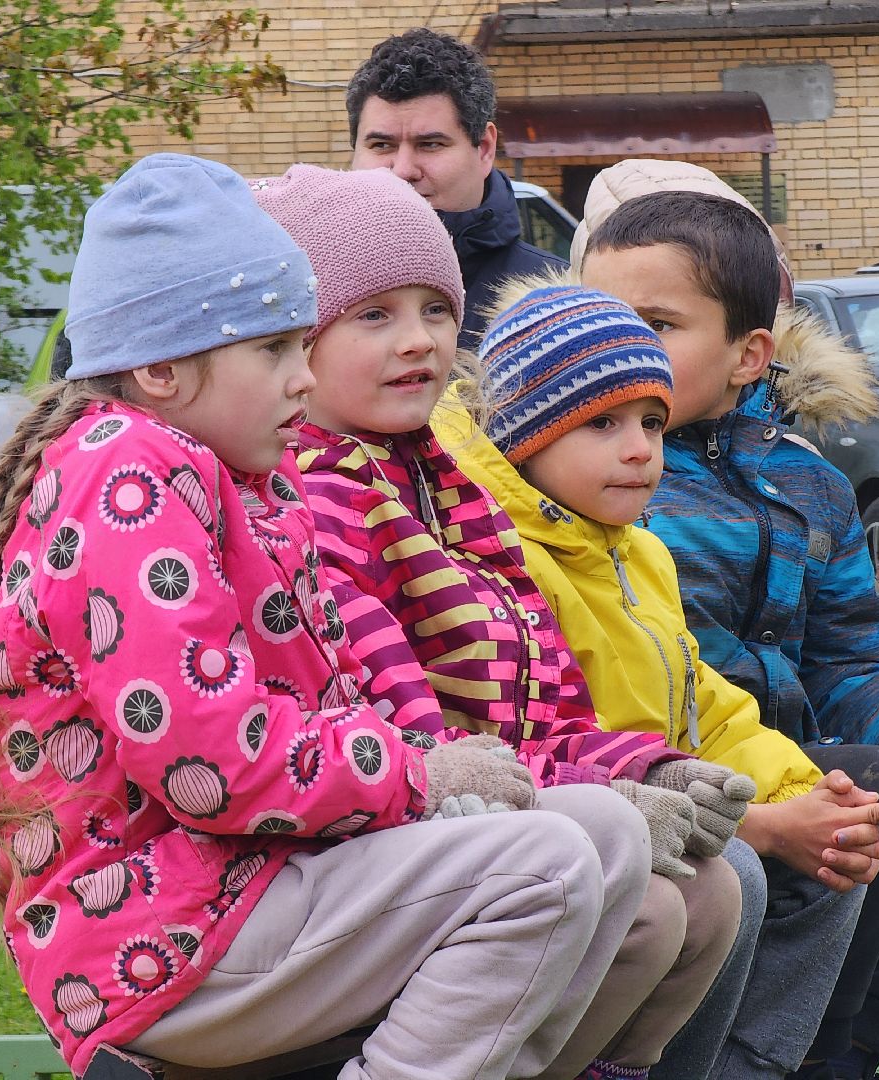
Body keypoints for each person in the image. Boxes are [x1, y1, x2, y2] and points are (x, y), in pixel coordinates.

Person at [0, 152, 656, 1079]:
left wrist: (428, 780)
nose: (305, 378)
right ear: (162, 369)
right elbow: (210, 764)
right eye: (273, 349)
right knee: (541, 867)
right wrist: (418, 776)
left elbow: (319, 710)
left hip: (247, 883)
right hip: (155, 934)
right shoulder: (123, 476)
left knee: (607, 835)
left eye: (303, 345)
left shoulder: (241, 481)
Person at [250, 162, 744, 1080]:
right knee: (649, 905)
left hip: (499, 798)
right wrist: (595, 797)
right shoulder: (311, 492)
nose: (418, 342)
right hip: (396, 816)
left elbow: (546, 699)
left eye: (437, 311)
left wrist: (645, 766)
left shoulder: (443, 485)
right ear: (294, 340)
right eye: (374, 315)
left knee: (708, 895)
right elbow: (402, 716)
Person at [575, 185, 879, 1080]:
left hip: (797, 762)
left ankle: (832, 1051)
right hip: (667, 773)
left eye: (655, 323)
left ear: (748, 355)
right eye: (597, 318)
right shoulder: (582, 468)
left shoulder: (808, 486)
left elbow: (850, 654)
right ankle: (766, 1054)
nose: (617, 348)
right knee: (869, 784)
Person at [447, 282, 879, 1080]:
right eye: (601, 423)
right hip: (586, 817)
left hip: (675, 798)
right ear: (522, 434)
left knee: (844, 836)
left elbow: (704, 704)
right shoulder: (506, 560)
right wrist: (764, 826)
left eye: (650, 422)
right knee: (730, 870)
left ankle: (762, 1067)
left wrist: (799, 791)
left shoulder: (637, 551)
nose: (640, 449)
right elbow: (579, 745)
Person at [346, 27, 564, 348]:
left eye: (430, 144)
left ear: (485, 148)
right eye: (381, 145)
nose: (403, 170)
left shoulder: (554, 303)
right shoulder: (308, 288)